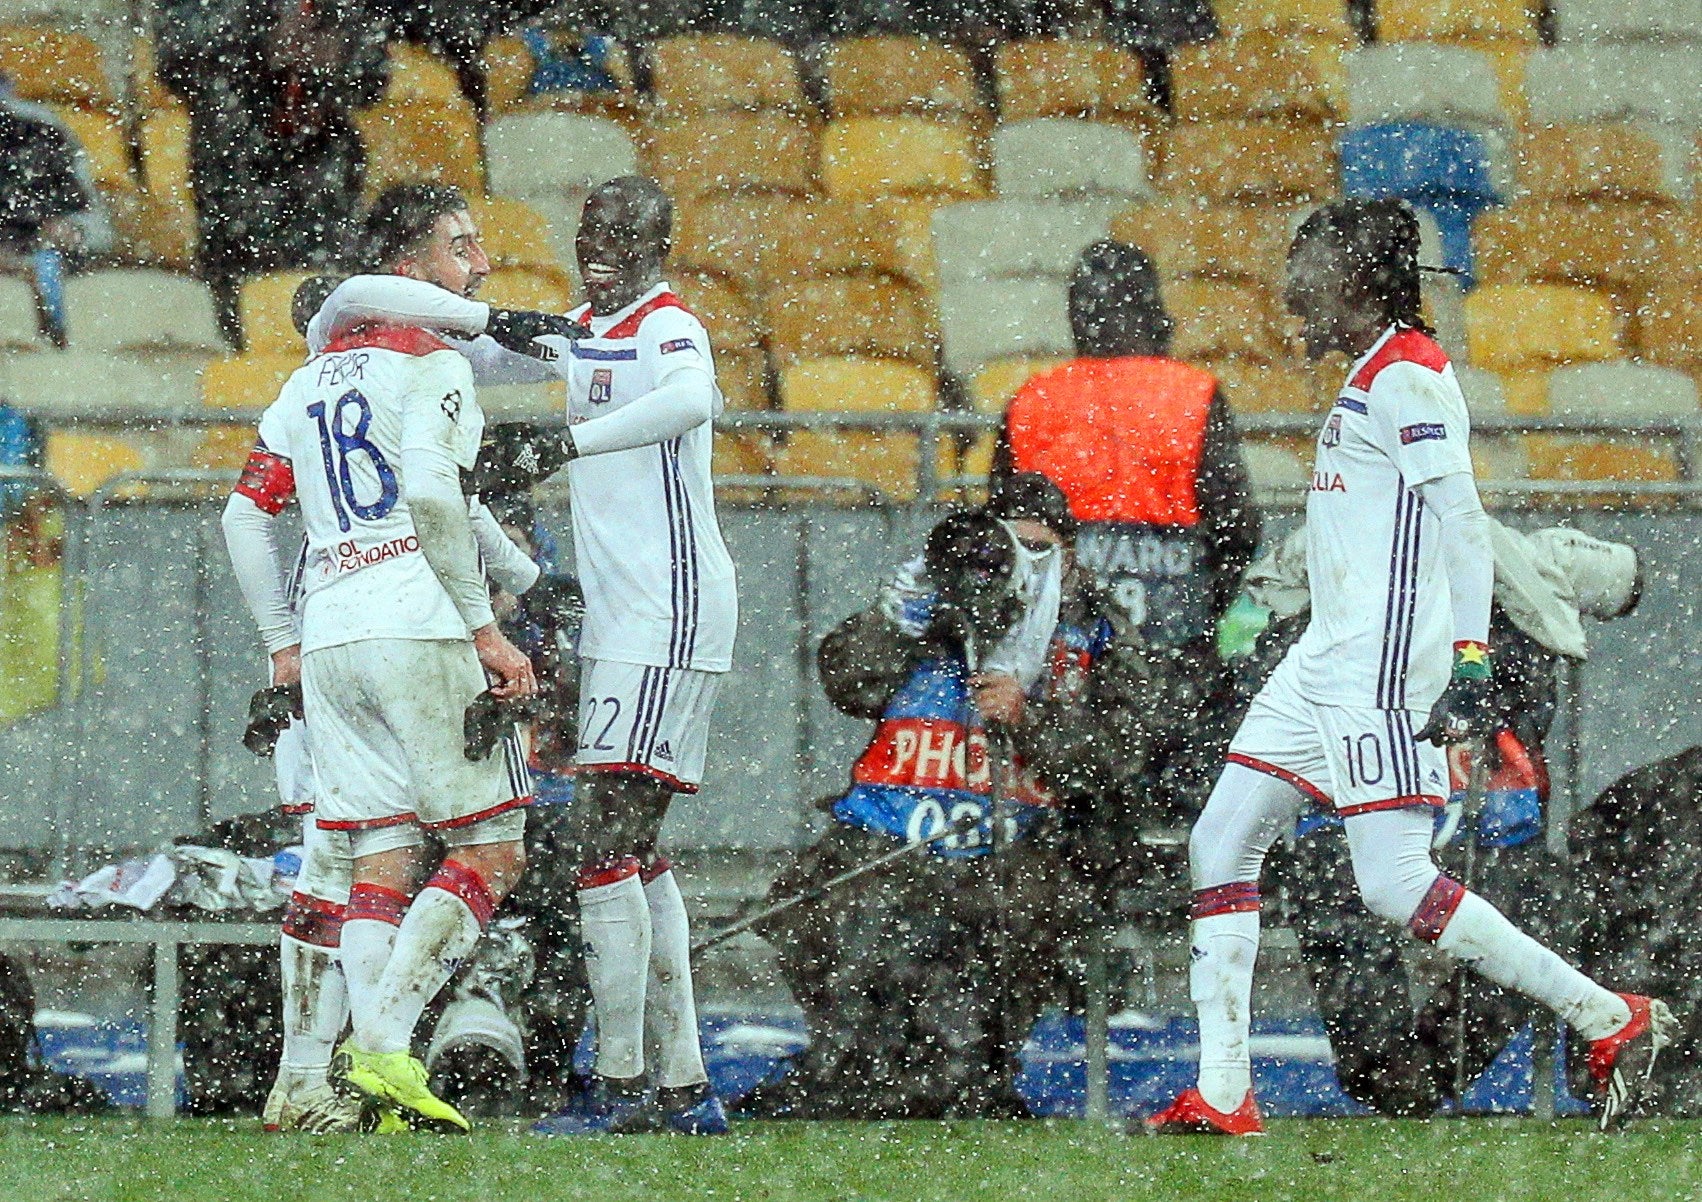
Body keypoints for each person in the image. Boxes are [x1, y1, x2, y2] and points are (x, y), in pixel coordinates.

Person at [1147, 197, 1675, 1137]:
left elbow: (1465, 527)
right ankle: (1225, 1092)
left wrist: (1470, 659)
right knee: (1219, 843)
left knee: (1391, 884)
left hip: (1381, 674)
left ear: (1353, 273)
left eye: (1304, 258)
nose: (1289, 279)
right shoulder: (1369, 370)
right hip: (1322, 660)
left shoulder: (1410, 380)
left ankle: (1609, 1015)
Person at [304, 175, 739, 1136]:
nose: (599, 245)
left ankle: (621, 1089)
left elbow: (691, 399)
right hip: (628, 616)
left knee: (599, 845)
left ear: (659, 242)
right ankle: (682, 1085)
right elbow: (420, 326)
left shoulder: (669, 323)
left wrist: (565, 443)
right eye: (588, 226)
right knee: (638, 850)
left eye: (621, 231)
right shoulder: (579, 326)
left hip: (671, 606)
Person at [221, 183, 556, 1134]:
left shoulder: (304, 383)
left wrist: (281, 641)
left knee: (374, 851)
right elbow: (437, 502)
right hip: (418, 618)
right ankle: (385, 1045)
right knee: (492, 846)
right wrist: (485, 628)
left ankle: (351, 1077)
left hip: (330, 630)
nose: (481, 262)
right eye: (463, 247)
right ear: (408, 272)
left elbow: (244, 519)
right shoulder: (436, 367)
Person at [747, 473, 1165, 1118]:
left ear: (1071, 554)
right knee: (836, 924)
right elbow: (847, 681)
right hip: (882, 835)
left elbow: (1125, 750)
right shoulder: (938, 601)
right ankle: (846, 1063)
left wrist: (1034, 720)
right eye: (1007, 546)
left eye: (1037, 548)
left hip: (1018, 848)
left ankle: (965, 1072)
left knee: (979, 1000)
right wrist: (899, 618)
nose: (1015, 567)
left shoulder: (1098, 630)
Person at [1245, 520, 1644, 1115]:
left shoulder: (1517, 564)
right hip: (1356, 829)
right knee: (1342, 891)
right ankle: (1394, 1070)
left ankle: (1425, 1067)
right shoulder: (1335, 568)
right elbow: (1257, 634)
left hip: (1490, 833)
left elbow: (1622, 578)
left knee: (1535, 902)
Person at [995, 239, 1260, 849]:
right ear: (1153, 311)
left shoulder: (1032, 400)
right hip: (1173, 644)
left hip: (1061, 654)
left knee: (1070, 784)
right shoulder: (1193, 394)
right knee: (1182, 794)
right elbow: (1237, 528)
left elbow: (999, 535)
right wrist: (1199, 607)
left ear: (1076, 315)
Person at [155, 0, 389, 342]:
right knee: (244, 297)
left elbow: (374, 76)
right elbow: (175, 61)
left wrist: (333, 59)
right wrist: (260, 35)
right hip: (235, 144)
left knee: (327, 297)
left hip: (322, 150)